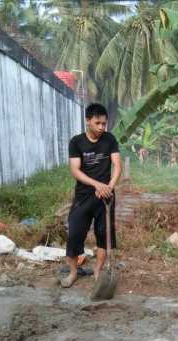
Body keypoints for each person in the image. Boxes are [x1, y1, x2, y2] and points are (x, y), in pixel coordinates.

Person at [61, 103, 122, 288]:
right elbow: (75, 170)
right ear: (88, 121)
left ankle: (97, 271)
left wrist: (109, 187)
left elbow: (117, 166)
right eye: (98, 123)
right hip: (83, 196)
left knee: (104, 236)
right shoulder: (76, 142)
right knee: (74, 234)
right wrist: (97, 184)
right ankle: (73, 272)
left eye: (104, 123)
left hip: (106, 197)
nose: (102, 127)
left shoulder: (109, 139)